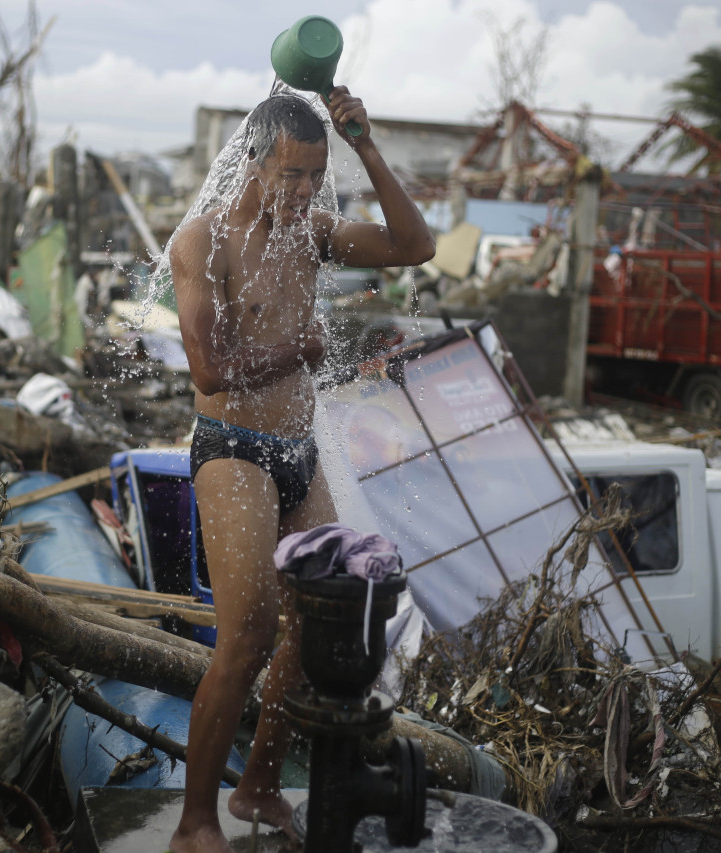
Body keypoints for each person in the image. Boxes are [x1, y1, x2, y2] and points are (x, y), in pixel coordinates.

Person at [168, 87, 435, 853]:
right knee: (247, 634)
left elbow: (413, 246)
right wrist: (300, 351)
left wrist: (367, 145)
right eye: (290, 176)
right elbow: (211, 369)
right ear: (253, 165)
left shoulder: (311, 233)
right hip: (233, 450)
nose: (303, 193)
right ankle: (193, 823)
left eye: (316, 177)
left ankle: (256, 786)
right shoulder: (205, 240)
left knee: (327, 623)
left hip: (297, 453)